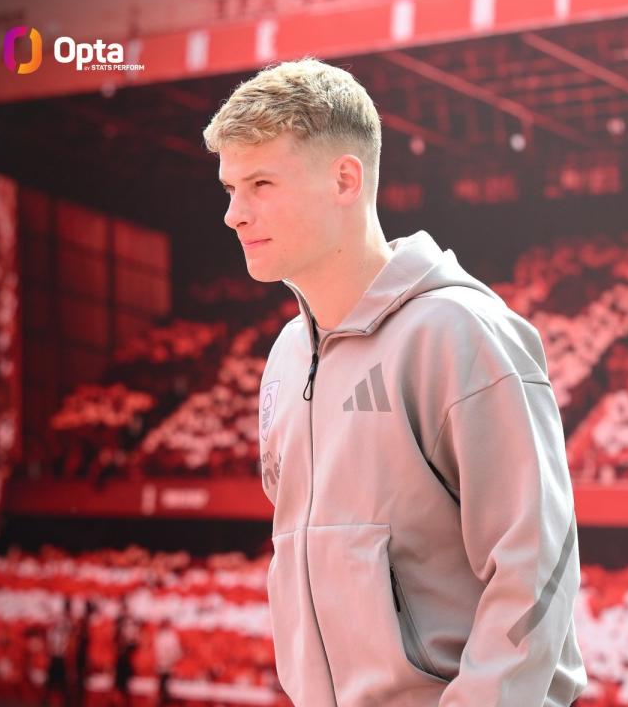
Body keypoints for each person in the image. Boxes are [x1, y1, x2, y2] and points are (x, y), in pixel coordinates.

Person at [202, 57, 588, 706]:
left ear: (345, 180)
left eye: (261, 183)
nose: (234, 214)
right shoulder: (285, 358)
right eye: (230, 188)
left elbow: (535, 566)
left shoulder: (459, 332)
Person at [41, 598, 73, 706]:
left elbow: (67, 633)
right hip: (55, 657)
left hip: (61, 658)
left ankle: (65, 701)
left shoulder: (65, 628)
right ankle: (47, 700)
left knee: (61, 683)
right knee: (52, 682)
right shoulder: (54, 631)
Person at [153, 619, 182, 706]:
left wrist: (171, 659)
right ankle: (163, 697)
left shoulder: (171, 636)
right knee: (163, 679)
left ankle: (165, 697)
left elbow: (176, 650)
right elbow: (158, 651)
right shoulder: (159, 636)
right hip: (163, 664)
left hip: (170, 663)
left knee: (166, 678)